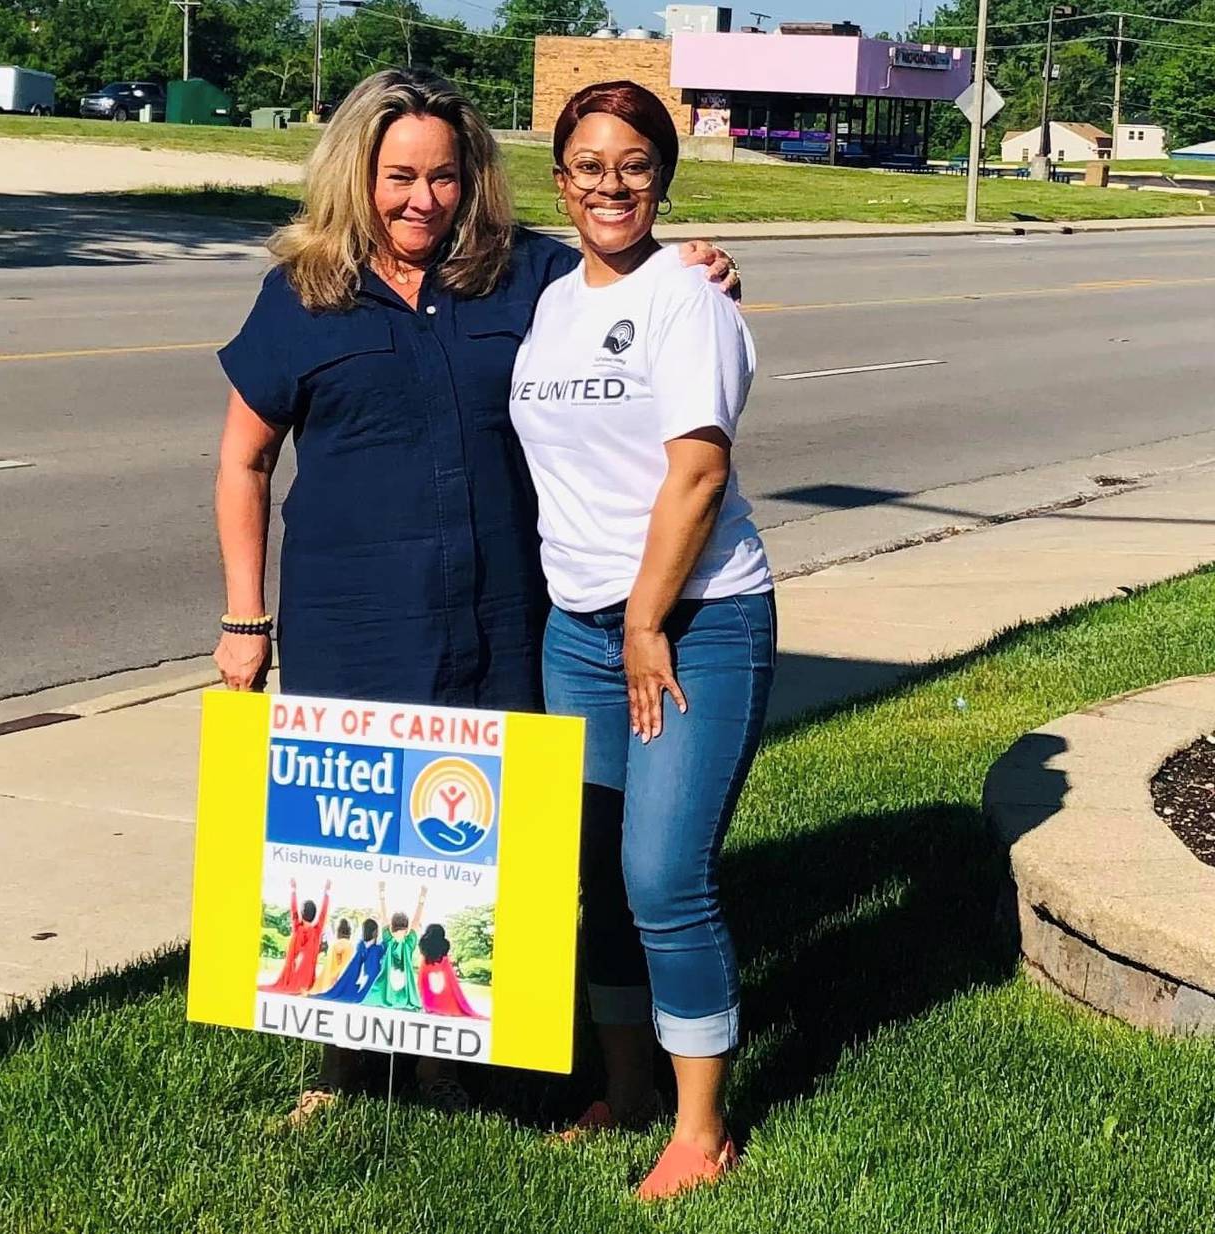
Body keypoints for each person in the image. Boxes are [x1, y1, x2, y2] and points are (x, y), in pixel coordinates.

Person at [213, 67, 736, 1120]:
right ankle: (347, 1062)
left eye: (445, 177)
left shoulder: (522, 276)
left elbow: (623, 265)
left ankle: (457, 1054)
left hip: (501, 612)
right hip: (351, 612)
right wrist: (243, 617)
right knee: (349, 840)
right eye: (399, 176)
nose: (423, 200)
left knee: (480, 835)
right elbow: (244, 462)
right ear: (358, 174)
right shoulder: (301, 290)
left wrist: (704, 266)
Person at [508, 80, 776, 1201]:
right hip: (581, 631)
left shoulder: (690, 297)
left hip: (695, 622)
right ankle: (624, 1084)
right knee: (598, 875)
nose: (610, 185)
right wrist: (609, 623)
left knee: (665, 874)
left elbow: (699, 470)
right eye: (588, 165)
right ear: (559, 179)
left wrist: (647, 619)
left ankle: (703, 1129)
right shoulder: (550, 295)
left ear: (663, 175)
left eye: (633, 164)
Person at [362, 882, 426, 1012]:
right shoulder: (410, 943)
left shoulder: (388, 940)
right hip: (405, 995)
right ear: (407, 927)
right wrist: (422, 897)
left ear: (392, 926)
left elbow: (384, 916)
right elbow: (416, 920)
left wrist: (382, 894)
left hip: (386, 992)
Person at [261, 879, 331, 994]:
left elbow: (293, 910)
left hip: (291, 980)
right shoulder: (317, 931)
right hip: (306, 984)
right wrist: (326, 893)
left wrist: (293, 890)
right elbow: (324, 913)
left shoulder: (297, 928)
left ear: (302, 914)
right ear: (314, 915)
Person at [417, 924, 485, 1019]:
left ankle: (431, 1005)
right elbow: (451, 982)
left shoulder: (423, 944)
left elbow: (422, 983)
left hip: (427, 966)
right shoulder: (445, 945)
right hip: (442, 966)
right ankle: (443, 1005)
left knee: (428, 987)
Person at [316, 918, 384, 1003]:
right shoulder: (376, 950)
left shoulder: (360, 947)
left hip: (350, 980)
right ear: (375, 932)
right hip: (368, 985)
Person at [311, 917, 355, 994]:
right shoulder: (351, 946)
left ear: (338, 931)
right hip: (343, 982)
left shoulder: (335, 945)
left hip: (330, 982)